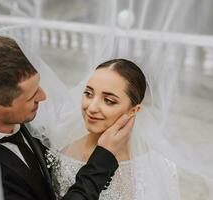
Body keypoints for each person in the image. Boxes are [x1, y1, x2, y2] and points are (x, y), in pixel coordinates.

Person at [0, 35, 134, 200]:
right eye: (31, 96)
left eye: (38, 85)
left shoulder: (21, 121)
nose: (43, 96)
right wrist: (103, 158)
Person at [51, 59, 180, 199]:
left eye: (109, 101)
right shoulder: (63, 162)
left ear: (133, 110)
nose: (92, 108)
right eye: (88, 93)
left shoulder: (159, 165)